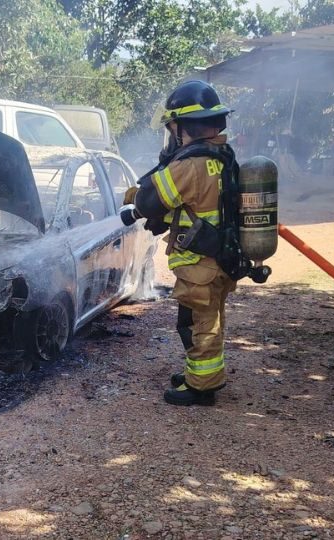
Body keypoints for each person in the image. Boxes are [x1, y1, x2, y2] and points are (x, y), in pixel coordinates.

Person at [129, 80, 237, 406]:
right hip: (218, 260)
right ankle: (197, 375)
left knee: (199, 324)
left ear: (185, 126)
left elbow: (151, 199)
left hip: (200, 263)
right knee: (203, 320)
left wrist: (133, 199)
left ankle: (201, 388)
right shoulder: (221, 157)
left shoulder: (191, 165)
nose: (172, 135)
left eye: (173, 127)